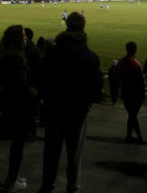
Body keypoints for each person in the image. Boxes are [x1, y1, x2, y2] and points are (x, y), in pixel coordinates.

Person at [36, 12, 103, 193]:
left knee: (51, 153)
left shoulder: (52, 53)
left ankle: (47, 186)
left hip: (54, 110)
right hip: (78, 113)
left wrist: (45, 100)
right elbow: (96, 90)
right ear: (83, 27)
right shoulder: (91, 57)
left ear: (67, 25)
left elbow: (41, 78)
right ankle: (73, 187)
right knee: (74, 155)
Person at [0, 25, 38, 192]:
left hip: (8, 105)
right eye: (24, 36)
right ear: (17, 39)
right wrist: (34, 93)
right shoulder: (16, 59)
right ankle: (11, 182)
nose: (26, 38)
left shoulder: (3, 56)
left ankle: (13, 176)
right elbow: (21, 87)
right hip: (18, 108)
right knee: (18, 145)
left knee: (16, 144)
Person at [118, 41, 145, 143]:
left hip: (125, 93)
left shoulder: (121, 62)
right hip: (135, 94)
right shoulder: (136, 64)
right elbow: (140, 81)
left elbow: (119, 77)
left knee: (131, 115)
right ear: (135, 50)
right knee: (133, 115)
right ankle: (139, 136)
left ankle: (129, 136)